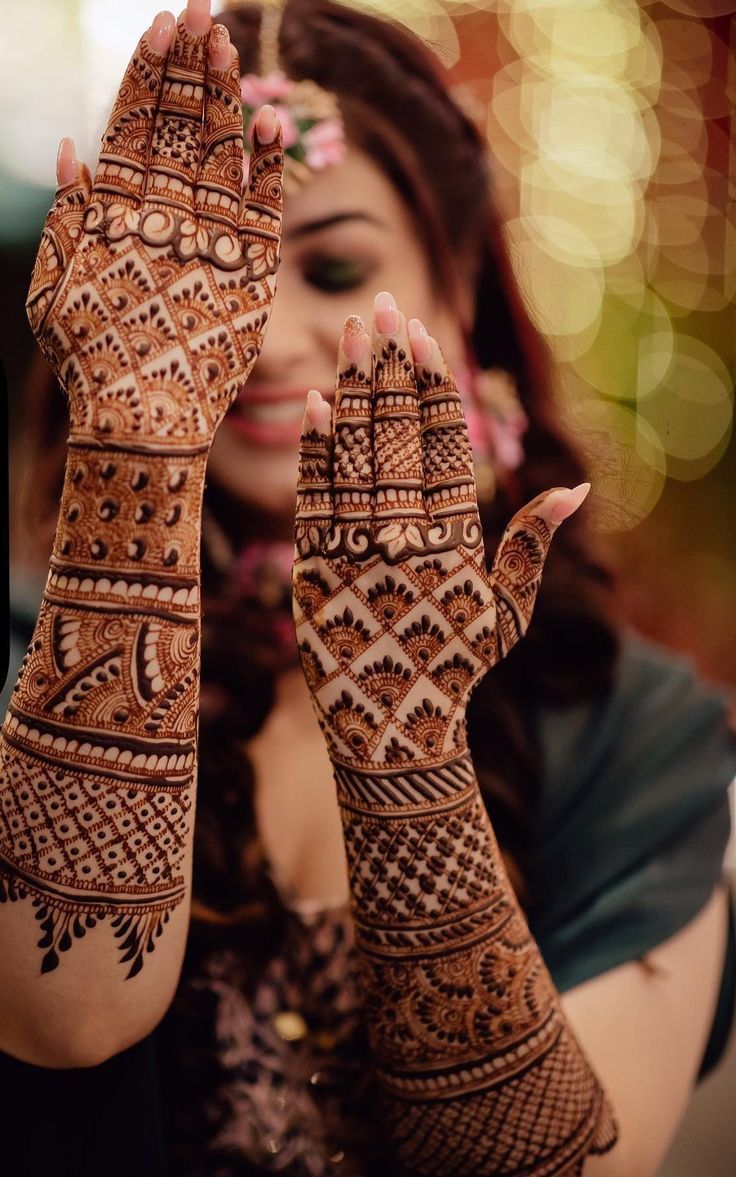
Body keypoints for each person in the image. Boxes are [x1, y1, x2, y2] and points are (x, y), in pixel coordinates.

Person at [1, 1, 734, 1174]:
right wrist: (134, 454)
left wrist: (406, 741)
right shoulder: (23, 660)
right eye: (216, 270)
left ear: (464, 302)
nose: (262, 336)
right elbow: (67, 1007)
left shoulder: (630, 727)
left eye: (334, 267)